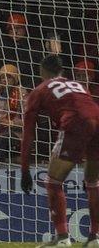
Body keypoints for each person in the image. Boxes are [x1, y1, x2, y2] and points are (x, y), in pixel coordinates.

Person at [20, 55, 99, 248]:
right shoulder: (78, 85)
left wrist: (24, 171)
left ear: (41, 71)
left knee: (53, 181)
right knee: (93, 182)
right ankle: (95, 237)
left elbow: (28, 134)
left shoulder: (39, 90)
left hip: (75, 124)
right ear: (62, 72)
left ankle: (62, 238)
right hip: (97, 122)